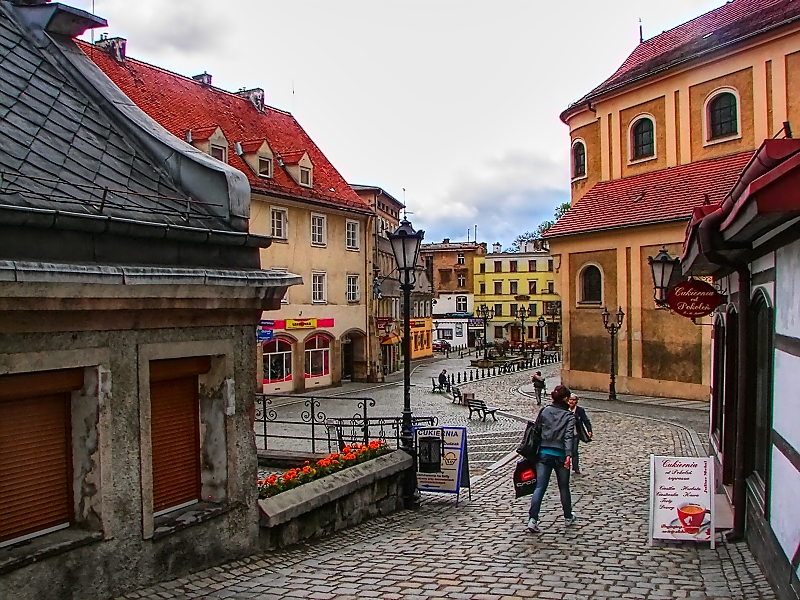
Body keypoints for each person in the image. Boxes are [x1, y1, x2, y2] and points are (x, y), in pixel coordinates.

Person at [526, 384, 577, 533]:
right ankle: (568, 516)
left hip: (544, 453)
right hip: (560, 455)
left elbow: (537, 430)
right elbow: (568, 437)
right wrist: (569, 455)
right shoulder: (569, 416)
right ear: (566, 399)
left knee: (540, 487)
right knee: (564, 487)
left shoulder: (545, 411)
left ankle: (532, 519)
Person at [568, 393, 592, 475]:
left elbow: (586, 420)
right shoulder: (565, 409)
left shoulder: (579, 410)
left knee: (574, 450)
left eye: (573, 400)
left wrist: (589, 430)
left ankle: (576, 467)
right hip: (565, 434)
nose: (571, 401)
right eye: (570, 399)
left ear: (576, 401)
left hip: (575, 433)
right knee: (566, 450)